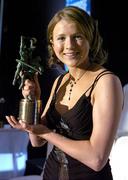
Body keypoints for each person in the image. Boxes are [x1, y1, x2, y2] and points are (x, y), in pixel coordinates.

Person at [6, 6, 123, 180]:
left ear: (90, 39)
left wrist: (46, 132)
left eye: (77, 37)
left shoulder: (106, 82)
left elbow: (97, 158)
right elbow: (36, 142)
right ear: (52, 44)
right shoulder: (60, 81)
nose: (69, 45)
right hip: (51, 174)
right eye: (61, 38)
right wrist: (34, 100)